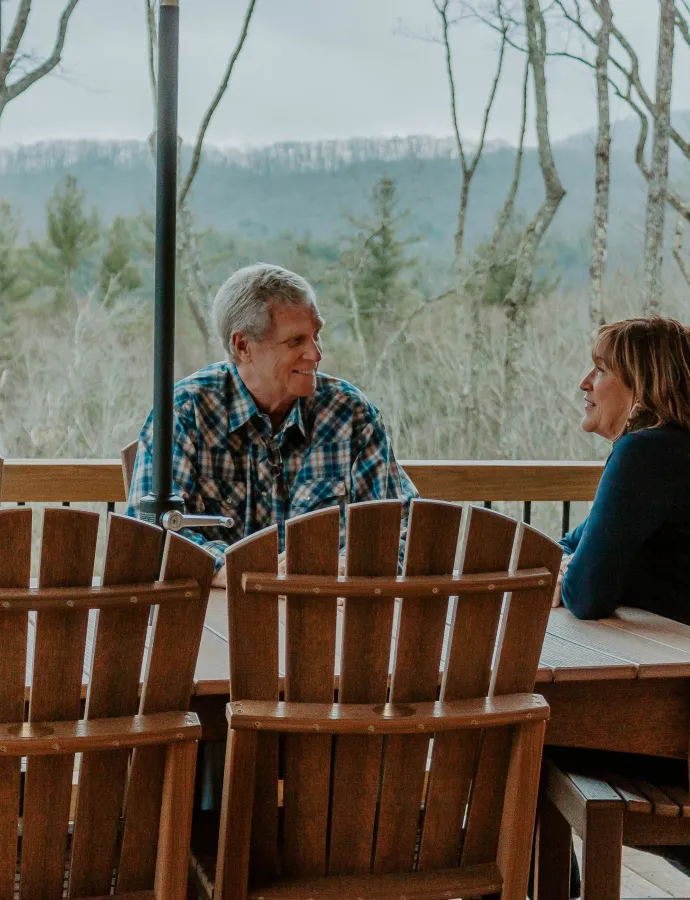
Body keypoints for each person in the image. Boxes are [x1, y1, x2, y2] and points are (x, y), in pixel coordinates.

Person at [127, 262, 417, 583]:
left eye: (316, 335)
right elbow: (149, 536)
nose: (316, 354)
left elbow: (403, 523)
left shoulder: (350, 413)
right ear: (242, 346)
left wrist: (352, 563)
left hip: (326, 615)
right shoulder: (183, 412)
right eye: (296, 341)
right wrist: (240, 571)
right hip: (211, 620)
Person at [553, 316, 690, 623]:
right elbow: (572, 544)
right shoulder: (667, 449)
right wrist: (574, 565)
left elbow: (587, 596)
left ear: (642, 382)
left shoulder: (647, 454)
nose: (584, 382)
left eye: (600, 369)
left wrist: (572, 574)